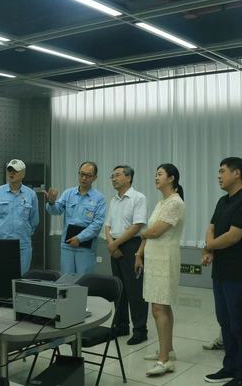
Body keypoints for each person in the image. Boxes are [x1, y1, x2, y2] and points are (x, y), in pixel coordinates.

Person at [202, 158, 242, 386]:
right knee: (224, 321)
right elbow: (212, 227)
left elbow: (234, 236)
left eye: (222, 171)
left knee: (240, 324)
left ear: (236, 174)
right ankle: (230, 366)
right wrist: (209, 247)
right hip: (221, 272)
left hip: (239, 273)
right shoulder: (223, 200)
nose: (219, 176)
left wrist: (209, 246)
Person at [135, 163, 185, 377]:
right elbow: (150, 232)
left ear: (171, 178)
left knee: (158, 308)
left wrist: (141, 233)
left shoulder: (175, 202)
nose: (156, 177)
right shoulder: (162, 202)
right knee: (162, 306)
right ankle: (168, 350)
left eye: (160, 174)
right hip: (154, 259)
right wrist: (139, 253)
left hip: (165, 260)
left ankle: (164, 360)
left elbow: (154, 232)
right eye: (155, 174)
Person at [104, 165, 148, 345]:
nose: (114, 179)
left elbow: (137, 226)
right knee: (119, 289)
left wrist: (115, 244)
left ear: (129, 178)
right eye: (112, 176)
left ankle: (140, 330)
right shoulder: (114, 200)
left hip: (132, 247)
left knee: (135, 290)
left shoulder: (138, 198)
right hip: (114, 245)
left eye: (117, 175)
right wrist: (111, 244)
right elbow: (107, 226)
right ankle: (121, 326)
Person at [45, 161, 106, 274]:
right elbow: (56, 211)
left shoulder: (99, 198)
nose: (84, 178)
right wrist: (51, 203)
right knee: (67, 278)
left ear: (95, 178)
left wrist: (79, 238)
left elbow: (97, 224)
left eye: (88, 175)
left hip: (85, 246)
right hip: (67, 245)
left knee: (84, 280)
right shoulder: (68, 193)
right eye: (81, 174)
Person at [0, 160, 39, 275]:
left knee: (21, 278)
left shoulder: (31, 194)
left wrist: (24, 232)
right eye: (9, 170)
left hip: (22, 245)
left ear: (23, 174)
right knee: (0, 276)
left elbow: (34, 220)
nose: (11, 173)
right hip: (0, 244)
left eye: (15, 171)